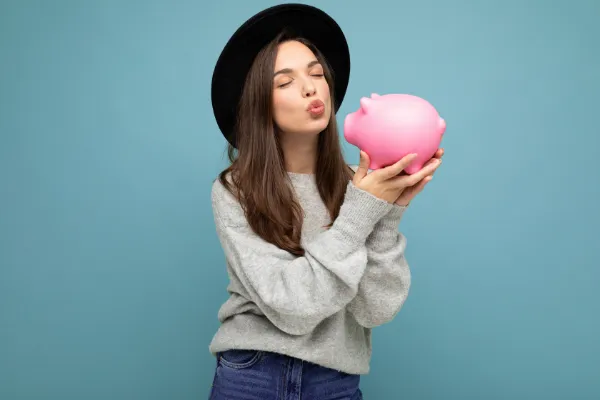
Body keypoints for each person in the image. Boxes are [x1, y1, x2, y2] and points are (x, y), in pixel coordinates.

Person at [207, 4, 443, 399]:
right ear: (259, 104)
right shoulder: (236, 189)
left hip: (334, 380)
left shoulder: (361, 186)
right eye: (285, 82)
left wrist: (388, 213)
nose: (311, 88)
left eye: (317, 74)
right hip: (252, 374)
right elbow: (292, 308)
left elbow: (375, 310)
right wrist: (362, 210)